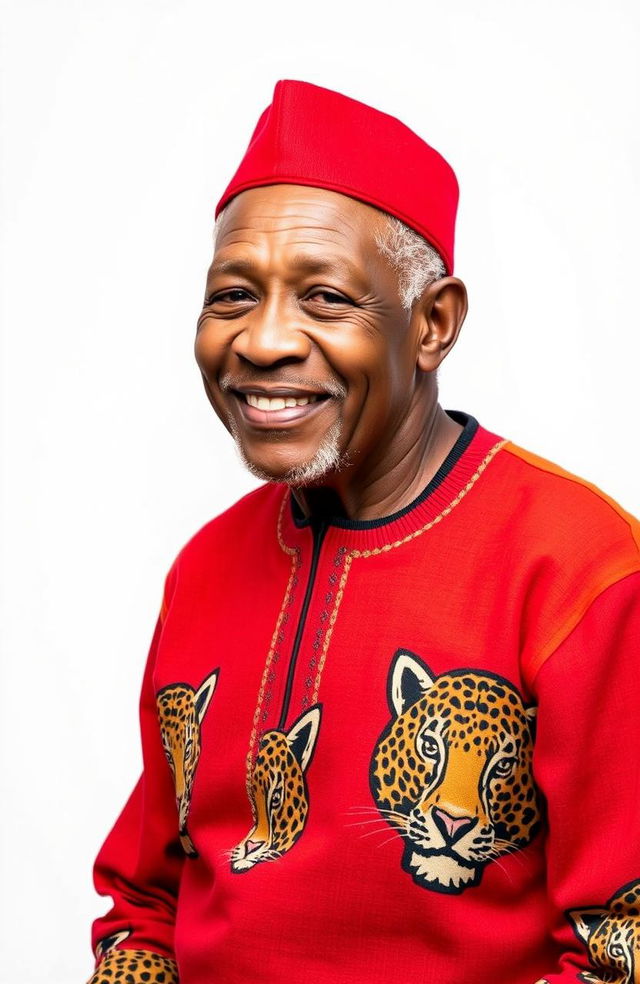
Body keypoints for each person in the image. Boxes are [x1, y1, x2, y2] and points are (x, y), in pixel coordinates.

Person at [85, 79, 640, 984]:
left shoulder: (584, 570)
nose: (263, 342)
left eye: (326, 299)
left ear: (433, 324)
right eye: (233, 295)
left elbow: (627, 945)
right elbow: (146, 905)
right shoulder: (203, 568)